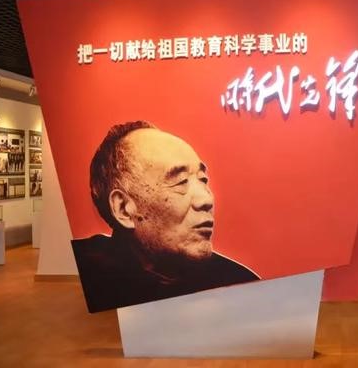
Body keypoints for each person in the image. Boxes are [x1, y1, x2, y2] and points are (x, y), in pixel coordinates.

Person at [72, 120, 259, 313]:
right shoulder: (86, 273)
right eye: (181, 182)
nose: (207, 199)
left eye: (203, 180)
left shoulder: (238, 283)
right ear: (123, 209)